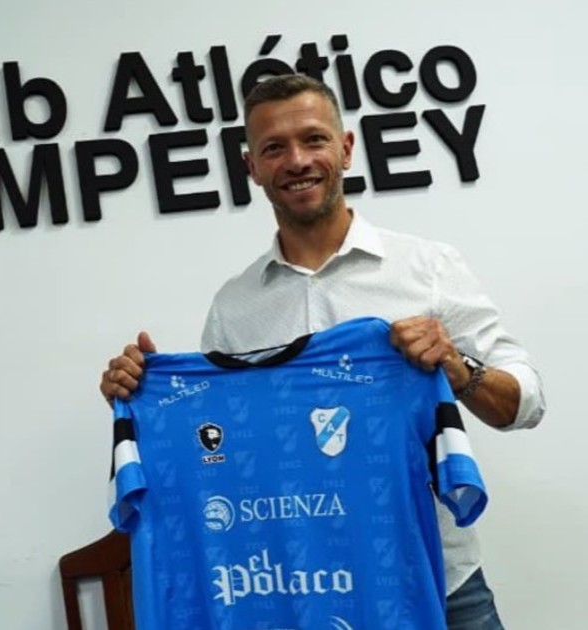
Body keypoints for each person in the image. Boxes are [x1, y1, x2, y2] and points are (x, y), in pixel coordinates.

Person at [98, 73, 545, 630]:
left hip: (441, 584)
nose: (297, 160)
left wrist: (458, 367)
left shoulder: (428, 269)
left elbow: (526, 403)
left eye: (313, 139)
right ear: (251, 168)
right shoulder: (234, 307)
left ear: (346, 148)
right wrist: (147, 394)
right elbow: (228, 455)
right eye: (274, 148)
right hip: (302, 590)